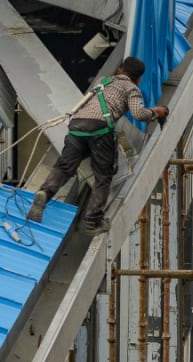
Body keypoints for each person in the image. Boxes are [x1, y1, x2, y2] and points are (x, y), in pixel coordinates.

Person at [25, 56, 168, 233]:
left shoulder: (103, 82)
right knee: (103, 175)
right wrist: (157, 112)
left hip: (77, 126)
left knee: (64, 167)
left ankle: (44, 193)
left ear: (119, 70)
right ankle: (93, 221)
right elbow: (138, 114)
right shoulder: (132, 88)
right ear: (138, 79)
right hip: (100, 129)